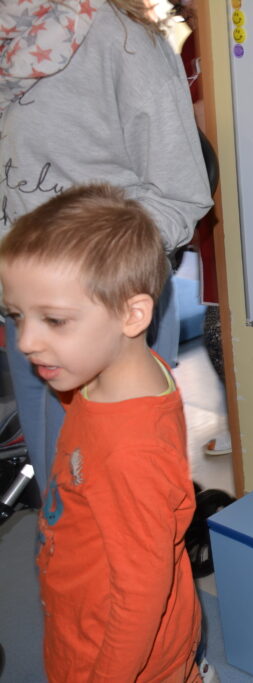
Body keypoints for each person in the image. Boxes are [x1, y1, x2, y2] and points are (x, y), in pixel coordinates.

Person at [0, 0, 212, 494]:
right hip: (25, 304)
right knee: (60, 491)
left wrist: (89, 277)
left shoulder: (123, 41)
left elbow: (181, 194)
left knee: (117, 488)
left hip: (103, 305)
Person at [0, 184, 201, 681]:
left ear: (132, 315)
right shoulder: (111, 372)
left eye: (54, 320)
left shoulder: (131, 452)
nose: (25, 341)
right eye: (17, 316)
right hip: (81, 602)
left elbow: (140, 596)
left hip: (117, 656)